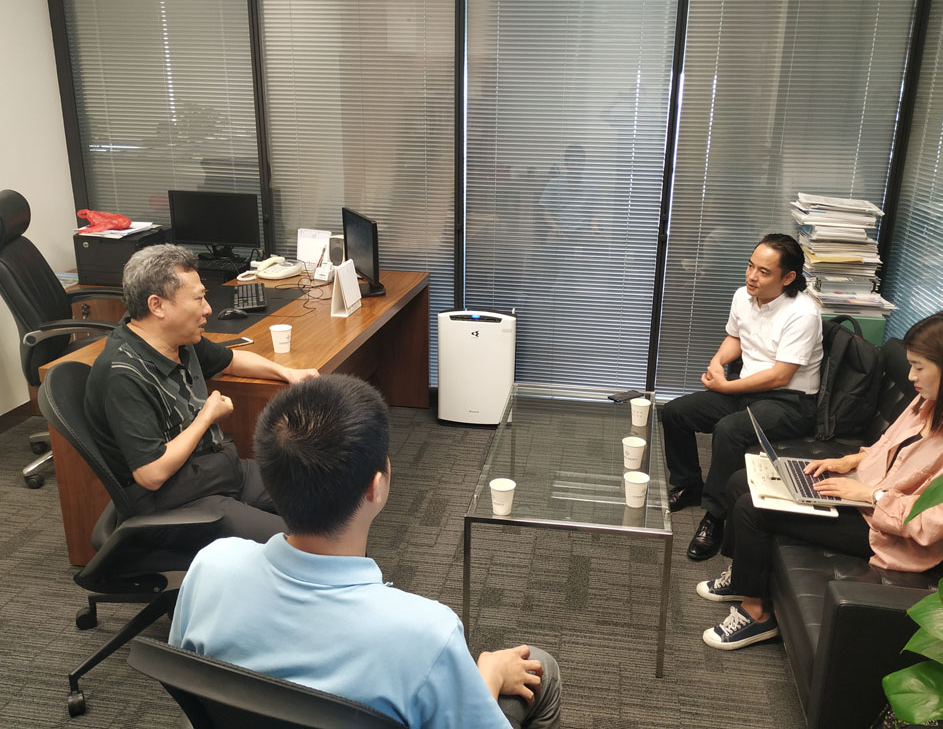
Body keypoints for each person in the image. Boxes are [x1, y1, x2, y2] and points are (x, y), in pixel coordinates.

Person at [168, 374, 562, 729]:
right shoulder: (425, 634)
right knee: (541, 666)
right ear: (376, 486)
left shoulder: (209, 567)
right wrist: (488, 673)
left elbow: (193, 682)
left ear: (270, 480)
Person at [697, 311, 943, 650]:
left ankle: (757, 615)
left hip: (889, 534)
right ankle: (742, 578)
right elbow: (887, 446)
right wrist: (847, 462)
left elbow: (931, 526)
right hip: (863, 499)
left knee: (753, 509)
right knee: (741, 480)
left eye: (919, 367)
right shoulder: (930, 402)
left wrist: (870, 495)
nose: (911, 375)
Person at [84, 243, 318, 542]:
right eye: (198, 299)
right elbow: (151, 474)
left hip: (217, 470)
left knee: (326, 499)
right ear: (157, 306)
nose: (208, 309)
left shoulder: (178, 339)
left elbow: (231, 359)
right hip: (177, 501)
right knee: (309, 542)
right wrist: (206, 416)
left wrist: (287, 373)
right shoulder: (122, 374)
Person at [660, 233, 823, 561]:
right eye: (750, 266)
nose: (752, 276)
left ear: (788, 277)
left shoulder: (803, 313)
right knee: (675, 412)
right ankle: (689, 485)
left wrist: (725, 387)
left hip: (789, 401)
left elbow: (780, 376)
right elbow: (735, 337)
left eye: (763, 272)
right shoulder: (743, 296)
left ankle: (715, 516)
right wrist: (716, 363)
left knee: (730, 431)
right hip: (747, 389)